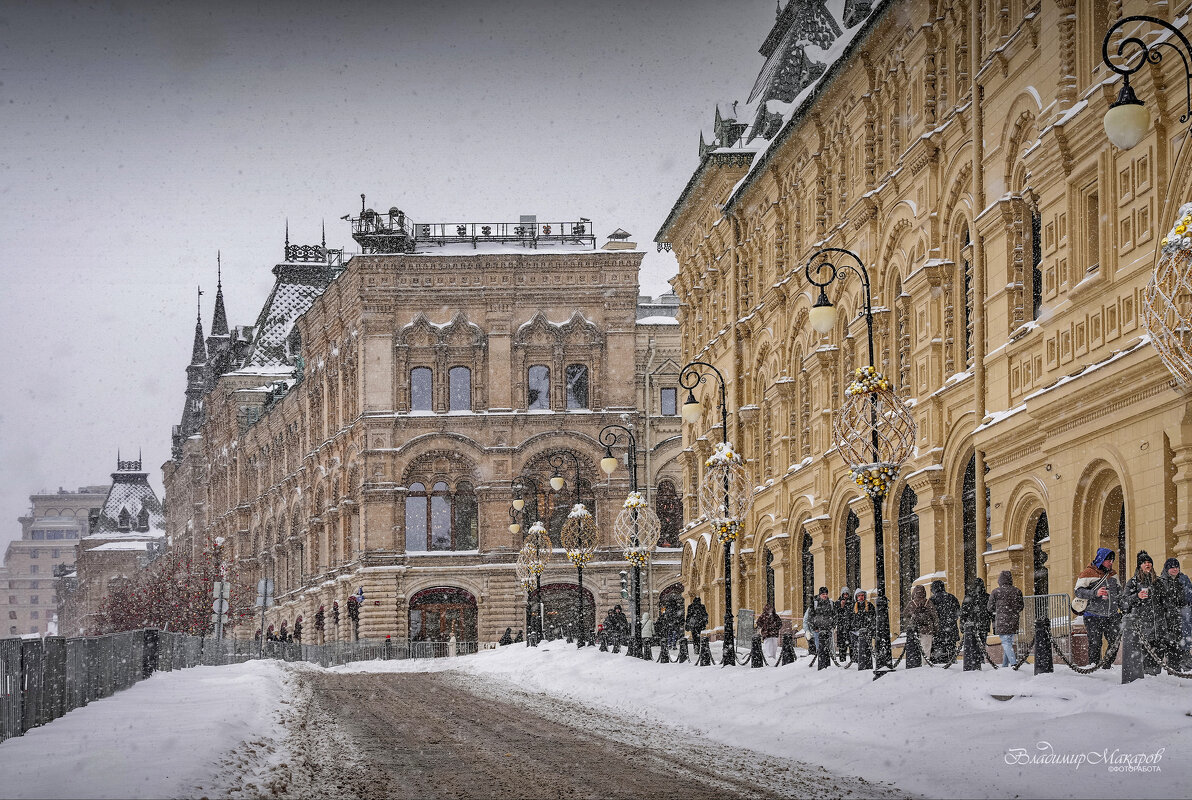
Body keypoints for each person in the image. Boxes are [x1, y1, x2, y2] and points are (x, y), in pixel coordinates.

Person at [1074, 547, 1123, 667]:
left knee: (1115, 642)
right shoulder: (1087, 573)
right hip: (1093, 615)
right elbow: (1078, 591)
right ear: (1101, 560)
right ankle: (1094, 667)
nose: (1111, 563)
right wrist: (1095, 593)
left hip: (1112, 615)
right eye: (1108, 560)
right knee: (1095, 643)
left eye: (1112, 560)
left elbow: (1119, 593)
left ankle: (1106, 665)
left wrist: (1123, 606)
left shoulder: (1113, 574)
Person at [1123, 551, 1164, 675]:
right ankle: (1147, 674)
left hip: (1158, 623)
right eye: (1145, 562)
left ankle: (1156, 674)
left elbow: (1165, 600)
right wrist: (1137, 596)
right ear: (1139, 565)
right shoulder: (1133, 582)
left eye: (1149, 562)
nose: (1148, 564)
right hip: (1142, 623)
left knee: (1158, 649)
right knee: (1145, 649)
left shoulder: (1158, 582)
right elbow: (1124, 601)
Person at [1159, 557, 1192, 668]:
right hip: (1168, 612)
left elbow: (1189, 594)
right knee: (1171, 639)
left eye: (1176, 567)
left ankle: (1186, 654)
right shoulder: (1161, 581)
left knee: (1185, 628)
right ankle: (1173, 663)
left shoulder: (1183, 578)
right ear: (1167, 569)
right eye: (1172, 567)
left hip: (1182, 610)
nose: (1175, 569)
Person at [988, 570, 1024, 667]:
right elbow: (1021, 606)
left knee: (1005, 642)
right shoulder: (1017, 591)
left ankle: (1013, 663)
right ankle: (1005, 666)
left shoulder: (996, 592)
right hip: (1014, 620)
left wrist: (999, 610)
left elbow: (990, 607)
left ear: (1000, 580)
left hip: (1001, 620)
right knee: (1008, 642)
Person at [929, 579, 960, 662]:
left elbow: (929, 615)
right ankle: (952, 660)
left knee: (939, 649)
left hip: (938, 629)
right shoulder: (952, 597)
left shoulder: (932, 600)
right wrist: (951, 620)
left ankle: (940, 662)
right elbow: (958, 612)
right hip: (951, 628)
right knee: (951, 647)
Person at [903, 584, 937, 658]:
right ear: (924, 592)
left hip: (914, 630)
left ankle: (916, 667)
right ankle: (925, 665)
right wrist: (935, 629)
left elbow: (905, 615)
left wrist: (912, 614)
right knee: (926, 650)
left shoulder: (911, 603)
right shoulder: (928, 602)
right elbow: (934, 617)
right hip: (927, 629)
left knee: (914, 652)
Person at [850, 589, 876, 670]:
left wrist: (870, 629)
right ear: (856, 597)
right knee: (859, 649)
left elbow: (873, 618)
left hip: (867, 632)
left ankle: (867, 665)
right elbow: (851, 619)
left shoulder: (869, 605)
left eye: (862, 595)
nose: (861, 597)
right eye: (859, 596)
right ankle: (861, 664)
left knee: (867, 649)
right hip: (857, 632)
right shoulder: (853, 607)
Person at [810, 587, 836, 667]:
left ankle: (827, 664)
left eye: (826, 594)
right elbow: (811, 616)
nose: (825, 595)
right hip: (818, 629)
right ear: (820, 595)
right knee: (820, 648)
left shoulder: (831, 603)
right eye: (823, 594)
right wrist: (814, 628)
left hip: (828, 629)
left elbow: (835, 615)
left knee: (829, 647)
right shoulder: (815, 603)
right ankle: (821, 664)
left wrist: (833, 625)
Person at [834, 588, 853, 661]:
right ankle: (842, 661)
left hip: (850, 628)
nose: (845, 596)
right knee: (842, 646)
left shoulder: (852, 602)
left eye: (847, 594)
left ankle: (853, 661)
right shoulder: (838, 603)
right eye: (844, 594)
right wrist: (841, 606)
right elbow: (836, 614)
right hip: (841, 628)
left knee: (852, 646)